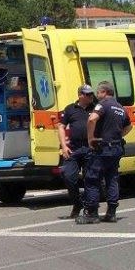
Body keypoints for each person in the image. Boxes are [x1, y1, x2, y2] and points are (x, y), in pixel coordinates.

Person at [80, 80, 131, 225]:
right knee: (112, 178)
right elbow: (129, 126)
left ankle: (92, 213)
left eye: (98, 92)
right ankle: (111, 213)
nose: (96, 95)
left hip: (101, 148)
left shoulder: (103, 104)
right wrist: (117, 136)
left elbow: (92, 119)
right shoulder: (121, 107)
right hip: (116, 148)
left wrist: (90, 139)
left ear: (104, 92)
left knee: (92, 179)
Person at [57, 85, 96, 219]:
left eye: (91, 94)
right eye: (88, 94)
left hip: (90, 148)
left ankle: (90, 209)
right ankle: (77, 203)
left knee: (91, 179)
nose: (91, 96)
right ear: (80, 95)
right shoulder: (70, 109)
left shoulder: (96, 108)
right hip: (73, 148)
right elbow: (61, 126)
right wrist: (63, 146)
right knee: (68, 176)